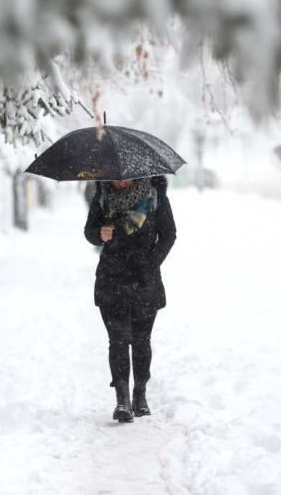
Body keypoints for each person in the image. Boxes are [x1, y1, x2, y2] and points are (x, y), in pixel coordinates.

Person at [83, 176, 176, 423]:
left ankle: (140, 394)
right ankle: (122, 399)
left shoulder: (155, 197)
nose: (119, 181)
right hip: (111, 281)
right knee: (118, 340)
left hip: (145, 282)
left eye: (125, 177)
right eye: (114, 177)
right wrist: (99, 234)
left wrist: (151, 263)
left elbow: (169, 235)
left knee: (141, 340)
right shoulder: (103, 197)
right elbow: (89, 231)